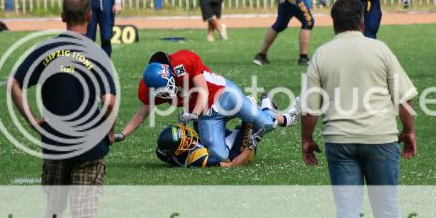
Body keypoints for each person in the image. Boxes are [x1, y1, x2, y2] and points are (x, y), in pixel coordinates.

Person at [301, 0, 417, 218]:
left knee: (347, 212)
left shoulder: (322, 55)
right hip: (380, 139)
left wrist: (306, 139)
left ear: (333, 23)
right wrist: (409, 132)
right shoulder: (380, 50)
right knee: (387, 208)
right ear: (362, 21)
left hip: (339, 141)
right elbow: (403, 99)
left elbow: (310, 109)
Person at [9, 0, 117, 218]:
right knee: (82, 214)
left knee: (53, 211)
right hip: (89, 144)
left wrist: (32, 121)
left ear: (62, 17)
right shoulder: (97, 54)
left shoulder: (46, 49)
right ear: (90, 16)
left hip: (55, 143)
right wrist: (107, 127)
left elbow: (13, 84)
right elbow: (109, 101)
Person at [116, 49, 299, 163]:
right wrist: (123, 135)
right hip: (206, 114)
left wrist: (193, 114)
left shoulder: (183, 62)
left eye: (166, 89)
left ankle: (278, 113)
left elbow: (202, 90)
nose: (165, 95)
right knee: (219, 156)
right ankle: (244, 128)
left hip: (223, 95)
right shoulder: (151, 87)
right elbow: (141, 114)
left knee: (265, 124)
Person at [155, 121, 256, 168]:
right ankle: (268, 111)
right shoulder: (199, 159)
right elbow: (232, 164)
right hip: (237, 154)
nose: (189, 138)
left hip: (216, 143)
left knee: (199, 121)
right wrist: (250, 146)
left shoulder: (161, 152)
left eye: (185, 135)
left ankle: (238, 131)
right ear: (177, 152)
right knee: (250, 122)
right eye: (184, 142)